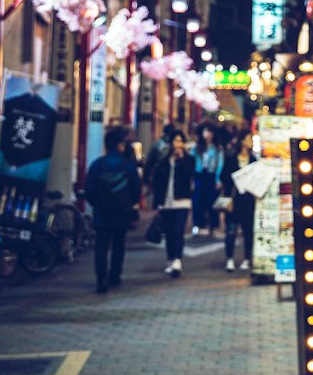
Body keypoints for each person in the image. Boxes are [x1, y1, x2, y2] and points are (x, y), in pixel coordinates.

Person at [84, 124, 141, 295]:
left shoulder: (97, 165)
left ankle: (101, 280)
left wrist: (97, 204)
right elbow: (136, 189)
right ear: (120, 145)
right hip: (122, 211)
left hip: (102, 212)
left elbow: (89, 190)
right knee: (118, 244)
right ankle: (115, 276)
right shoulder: (128, 165)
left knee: (101, 245)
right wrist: (130, 204)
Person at [148, 127, 196, 277]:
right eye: (176, 140)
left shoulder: (188, 159)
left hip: (182, 200)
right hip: (166, 200)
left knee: (178, 230)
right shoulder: (163, 160)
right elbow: (157, 181)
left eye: (181, 141)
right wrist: (157, 202)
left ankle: (177, 259)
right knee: (168, 232)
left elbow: (189, 174)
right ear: (171, 143)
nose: (179, 144)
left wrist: (180, 160)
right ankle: (170, 259)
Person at [220, 127, 256, 272]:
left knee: (248, 231)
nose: (251, 142)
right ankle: (229, 259)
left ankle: (247, 259)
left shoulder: (253, 160)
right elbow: (224, 177)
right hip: (234, 199)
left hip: (248, 199)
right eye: (249, 139)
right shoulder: (231, 159)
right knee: (231, 230)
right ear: (242, 141)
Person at [191, 123, 223, 237]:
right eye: (205, 131)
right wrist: (191, 179)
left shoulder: (217, 148)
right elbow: (191, 162)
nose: (208, 134)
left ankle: (214, 226)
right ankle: (198, 224)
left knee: (212, 202)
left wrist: (218, 179)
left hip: (211, 175)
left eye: (210, 132)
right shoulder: (196, 147)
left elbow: (220, 164)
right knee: (197, 201)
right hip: (199, 175)